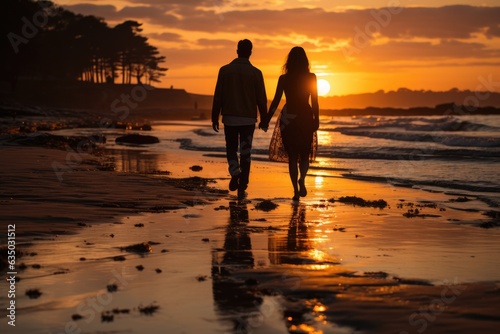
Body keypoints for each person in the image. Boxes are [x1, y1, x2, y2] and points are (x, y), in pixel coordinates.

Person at [212, 39, 268, 197]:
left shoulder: (224, 71)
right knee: (246, 152)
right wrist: (264, 119)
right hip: (248, 119)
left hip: (229, 117)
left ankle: (235, 172)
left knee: (231, 149)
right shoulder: (256, 73)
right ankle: (243, 182)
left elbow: (218, 96)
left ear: (237, 51)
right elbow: (261, 99)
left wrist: (214, 116)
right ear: (250, 52)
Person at [263, 46, 319, 200]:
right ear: (305, 61)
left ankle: (295, 190)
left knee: (293, 156)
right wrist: (317, 119)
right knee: (305, 155)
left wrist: (267, 119)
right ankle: (302, 179)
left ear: (289, 61)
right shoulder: (311, 77)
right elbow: (314, 101)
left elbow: (275, 101)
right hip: (305, 116)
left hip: (288, 118)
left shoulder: (284, 78)